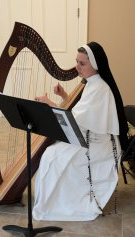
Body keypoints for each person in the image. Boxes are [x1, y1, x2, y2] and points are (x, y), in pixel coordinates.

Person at [33, 42, 129, 221]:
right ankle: (51, 199)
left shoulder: (100, 88)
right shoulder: (93, 82)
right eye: (76, 61)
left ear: (95, 65)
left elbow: (76, 120)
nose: (76, 67)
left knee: (53, 155)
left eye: (82, 63)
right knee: (52, 152)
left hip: (99, 143)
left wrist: (50, 104)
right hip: (89, 135)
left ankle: (58, 202)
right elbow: (84, 113)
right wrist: (64, 97)